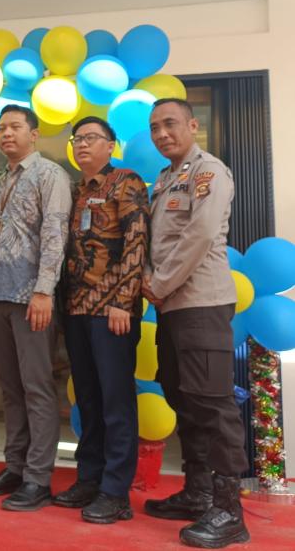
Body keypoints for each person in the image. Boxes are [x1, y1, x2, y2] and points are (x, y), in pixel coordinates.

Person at [142, 98, 249, 548]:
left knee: (212, 403)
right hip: (172, 307)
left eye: (170, 124)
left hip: (200, 302)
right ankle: (198, 491)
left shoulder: (208, 171)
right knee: (181, 395)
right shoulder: (166, 178)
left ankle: (229, 511)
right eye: (154, 128)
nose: (162, 134)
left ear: (193, 125)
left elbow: (200, 234)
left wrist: (158, 282)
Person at [0, 104, 72, 511]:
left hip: (32, 297)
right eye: (2, 128)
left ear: (34, 134)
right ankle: (15, 467)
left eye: (15, 127)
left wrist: (45, 291)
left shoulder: (50, 174)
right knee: (10, 388)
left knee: (36, 387)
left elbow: (55, 234)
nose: (7, 134)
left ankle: (38, 478)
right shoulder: (1, 181)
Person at [53, 116, 149, 523]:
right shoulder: (74, 191)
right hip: (75, 309)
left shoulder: (126, 182)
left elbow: (137, 241)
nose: (82, 145)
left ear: (111, 146)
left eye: (91, 138)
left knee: (115, 402)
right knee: (88, 400)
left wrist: (123, 301)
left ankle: (115, 491)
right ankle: (89, 478)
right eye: (78, 139)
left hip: (112, 312)